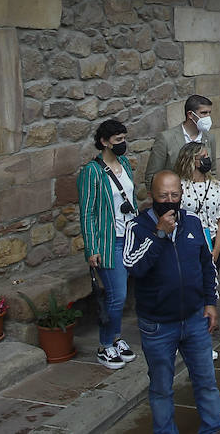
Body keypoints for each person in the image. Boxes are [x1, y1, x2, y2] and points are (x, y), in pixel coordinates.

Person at [123, 171, 220, 434]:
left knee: (206, 381)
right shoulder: (138, 227)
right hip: (158, 325)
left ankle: (211, 429)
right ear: (152, 196)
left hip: (194, 319)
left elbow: (207, 265)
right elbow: (134, 267)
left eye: (174, 195)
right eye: (163, 196)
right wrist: (158, 234)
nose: (169, 200)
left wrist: (211, 302)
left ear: (181, 195)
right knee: (161, 387)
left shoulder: (193, 222)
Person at [78, 119, 138, 370]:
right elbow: (88, 212)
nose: (122, 144)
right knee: (117, 295)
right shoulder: (91, 172)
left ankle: (116, 338)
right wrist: (92, 248)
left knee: (121, 294)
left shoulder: (124, 163)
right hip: (108, 240)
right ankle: (105, 344)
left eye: (124, 139)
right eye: (117, 140)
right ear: (104, 142)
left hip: (130, 237)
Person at [145, 95, 216, 190]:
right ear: (190, 114)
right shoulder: (166, 138)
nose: (207, 117)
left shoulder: (209, 137)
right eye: (203, 113)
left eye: (209, 113)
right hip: (173, 196)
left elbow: (213, 171)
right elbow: (152, 175)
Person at [174, 142, 220, 265]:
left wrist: (216, 250)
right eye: (203, 157)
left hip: (212, 240)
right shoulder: (179, 186)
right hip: (188, 241)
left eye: (207, 156)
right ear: (191, 160)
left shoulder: (216, 186)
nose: (207, 159)